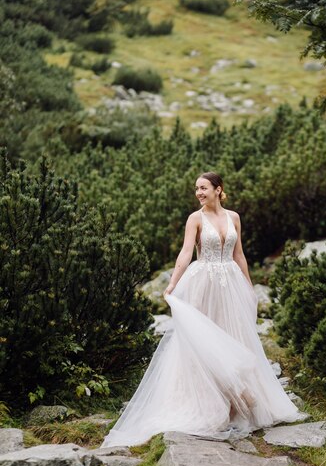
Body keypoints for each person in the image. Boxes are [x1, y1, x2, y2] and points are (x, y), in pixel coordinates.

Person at [101, 172, 300, 448]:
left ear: (218, 190)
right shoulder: (195, 219)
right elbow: (185, 253)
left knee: (233, 337)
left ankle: (237, 400)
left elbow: (239, 254)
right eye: (196, 188)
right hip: (203, 283)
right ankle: (210, 403)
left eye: (204, 188)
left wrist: (249, 286)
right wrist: (172, 283)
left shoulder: (234, 218)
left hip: (230, 284)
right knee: (205, 342)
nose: (199, 192)